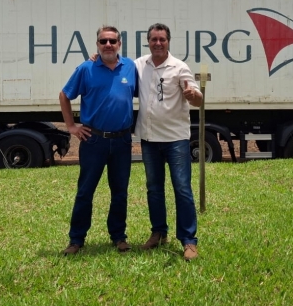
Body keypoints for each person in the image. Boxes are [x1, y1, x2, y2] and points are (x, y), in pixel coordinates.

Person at [59, 26, 137, 256]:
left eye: (112, 41)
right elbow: (64, 95)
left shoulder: (131, 67)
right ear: (97, 44)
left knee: (120, 191)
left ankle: (119, 237)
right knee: (85, 191)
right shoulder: (87, 68)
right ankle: (76, 239)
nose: (108, 45)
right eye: (103, 41)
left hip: (122, 141)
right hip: (94, 141)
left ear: (119, 44)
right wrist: (71, 126)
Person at [136, 23, 203, 261]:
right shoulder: (139, 65)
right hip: (149, 138)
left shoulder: (179, 67)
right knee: (154, 189)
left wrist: (193, 95)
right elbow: (116, 68)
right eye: (153, 39)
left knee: (182, 189)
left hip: (175, 139)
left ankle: (188, 241)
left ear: (168, 41)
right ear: (148, 41)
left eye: (162, 39)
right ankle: (158, 233)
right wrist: (96, 58)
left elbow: (197, 98)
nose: (157, 43)